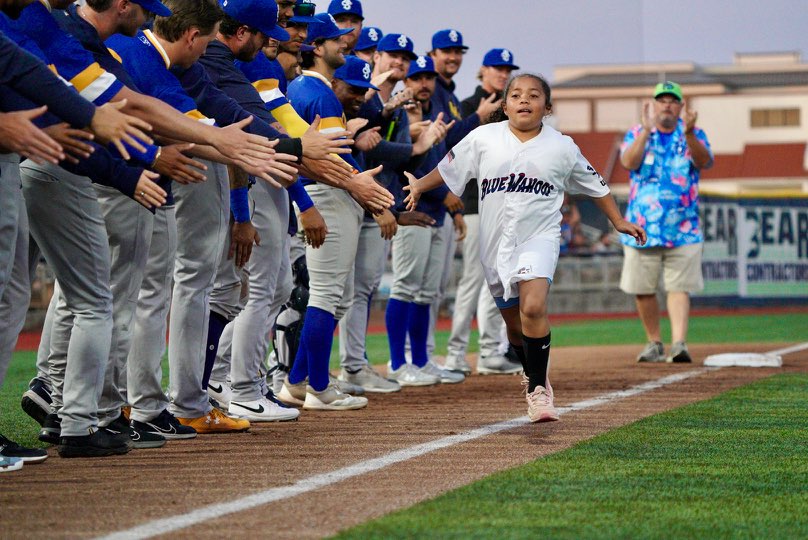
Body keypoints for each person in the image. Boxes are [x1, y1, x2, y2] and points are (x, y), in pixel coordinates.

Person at [404, 73, 646, 422]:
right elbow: (447, 169)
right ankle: (535, 370)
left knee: (533, 307)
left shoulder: (562, 146)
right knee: (514, 326)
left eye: (533, 96)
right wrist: (419, 188)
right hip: (494, 241)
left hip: (540, 237)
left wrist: (617, 221)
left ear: (547, 107)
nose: (523, 100)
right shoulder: (484, 138)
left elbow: (597, 186)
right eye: (515, 95)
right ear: (504, 105)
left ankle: (537, 390)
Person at [618, 81, 713, 364]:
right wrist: (645, 131)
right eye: (662, 100)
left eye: (673, 100)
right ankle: (654, 343)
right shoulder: (637, 132)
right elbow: (628, 162)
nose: (667, 105)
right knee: (643, 288)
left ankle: (679, 343)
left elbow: (704, 160)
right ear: (654, 104)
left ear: (681, 107)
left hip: (682, 228)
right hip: (642, 228)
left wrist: (690, 133)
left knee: (679, 287)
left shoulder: (694, 134)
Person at [447, 47, 521, 375]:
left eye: (508, 69)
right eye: (497, 68)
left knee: (501, 280)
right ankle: (455, 353)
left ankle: (491, 351)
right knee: (473, 280)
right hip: (475, 205)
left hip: (507, 204)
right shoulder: (467, 105)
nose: (503, 74)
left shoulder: (512, 111)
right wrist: (480, 115)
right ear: (483, 71)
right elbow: (453, 151)